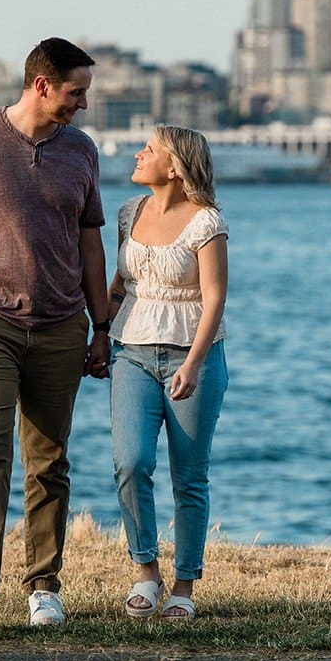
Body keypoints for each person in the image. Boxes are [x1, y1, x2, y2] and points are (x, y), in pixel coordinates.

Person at [0, 37, 112, 627]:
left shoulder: (82, 151)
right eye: (76, 92)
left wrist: (100, 325)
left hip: (60, 324)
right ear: (41, 85)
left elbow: (90, 242)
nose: (83, 103)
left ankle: (43, 586)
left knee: (49, 458)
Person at [106, 125, 228, 620]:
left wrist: (195, 364)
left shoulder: (206, 222)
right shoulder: (128, 213)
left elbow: (215, 296)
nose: (139, 154)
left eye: (150, 149)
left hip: (192, 357)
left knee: (189, 477)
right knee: (131, 463)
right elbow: (121, 282)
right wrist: (97, 334)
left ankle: (184, 585)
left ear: (174, 166)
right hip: (131, 350)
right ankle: (146, 572)